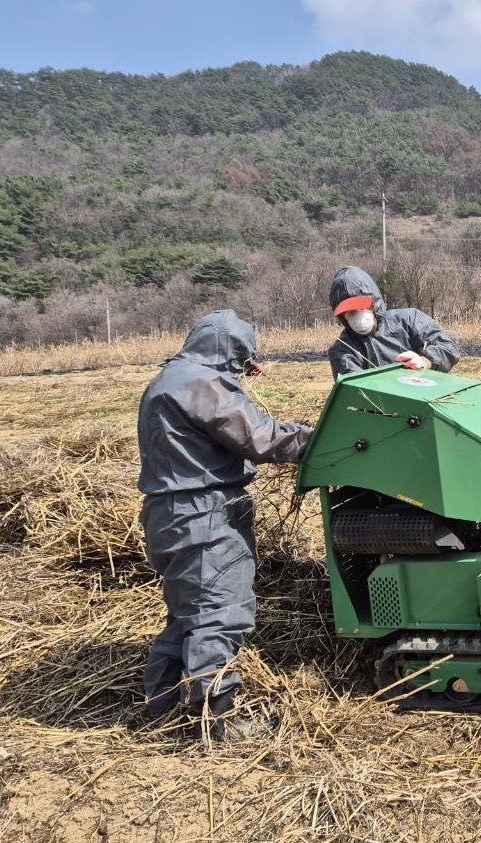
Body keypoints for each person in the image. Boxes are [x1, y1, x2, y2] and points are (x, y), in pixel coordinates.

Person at [137, 309, 312, 741]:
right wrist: (321, 437)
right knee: (220, 613)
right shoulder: (201, 382)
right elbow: (261, 439)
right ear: (229, 351)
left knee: (187, 614)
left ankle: (159, 705)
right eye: (242, 362)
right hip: (203, 514)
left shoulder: (169, 379)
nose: (242, 373)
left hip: (168, 514)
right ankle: (217, 721)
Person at [327, 265, 460, 379]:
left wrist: (425, 361)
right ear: (343, 316)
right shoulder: (343, 349)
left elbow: (448, 346)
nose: (358, 316)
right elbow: (355, 388)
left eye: (362, 307)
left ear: (374, 303)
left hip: (426, 395)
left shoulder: (409, 320)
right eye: (350, 312)